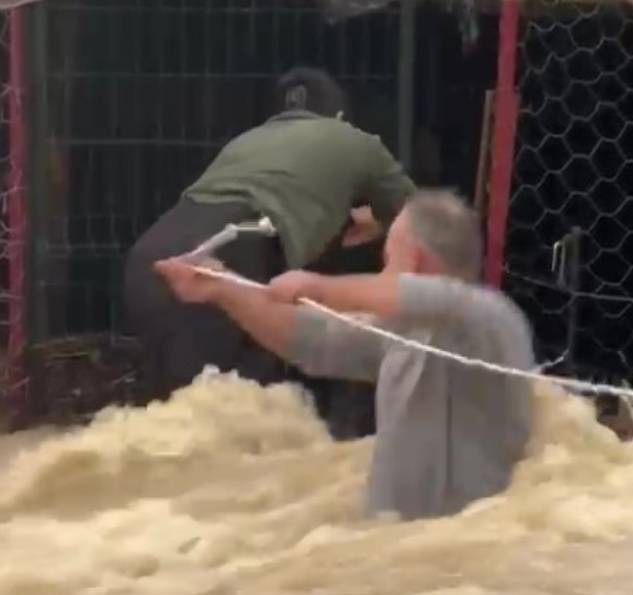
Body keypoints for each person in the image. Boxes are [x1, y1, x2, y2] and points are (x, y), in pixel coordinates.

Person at [153, 189, 536, 521]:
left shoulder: (490, 320)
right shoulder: (403, 331)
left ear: (415, 260)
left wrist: (317, 286)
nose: (382, 270)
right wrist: (222, 288)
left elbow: (436, 297)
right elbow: (311, 338)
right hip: (407, 556)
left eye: (389, 259)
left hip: (468, 564)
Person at [123, 66, 416, 405]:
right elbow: (418, 220)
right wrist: (379, 227)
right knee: (235, 411)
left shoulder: (247, 140)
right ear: (338, 115)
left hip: (152, 255)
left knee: (170, 416)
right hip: (226, 254)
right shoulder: (356, 140)